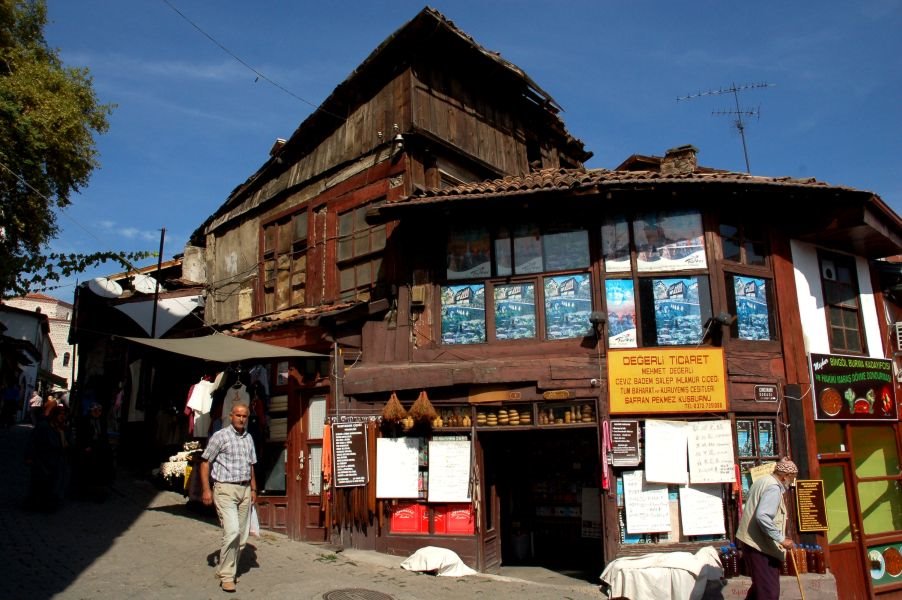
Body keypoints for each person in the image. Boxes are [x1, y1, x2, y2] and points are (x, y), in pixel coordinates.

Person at [199, 402, 257, 593]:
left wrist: (254, 489)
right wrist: (206, 490)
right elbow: (205, 462)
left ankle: (227, 568)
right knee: (231, 532)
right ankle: (226, 576)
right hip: (225, 489)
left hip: (245, 490)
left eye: (245, 416)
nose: (242, 419)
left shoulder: (249, 438)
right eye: (238, 415)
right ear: (231, 416)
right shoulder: (220, 436)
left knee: (241, 537)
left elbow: (251, 465)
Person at [736, 457, 799, 600]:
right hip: (759, 546)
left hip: (751, 542)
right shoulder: (773, 488)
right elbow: (763, 516)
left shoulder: (762, 481)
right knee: (768, 592)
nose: (792, 482)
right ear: (784, 476)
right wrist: (782, 539)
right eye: (792, 478)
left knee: (760, 589)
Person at [24, 404, 73, 512]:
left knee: (55, 483)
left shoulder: (63, 428)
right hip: (43, 459)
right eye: (61, 414)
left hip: (57, 460)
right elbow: (33, 441)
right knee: (40, 482)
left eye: (64, 415)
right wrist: (29, 456)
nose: (63, 417)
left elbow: (67, 444)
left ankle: (50, 504)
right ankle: (36, 504)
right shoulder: (44, 426)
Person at [75, 402, 114, 500]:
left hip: (99, 448)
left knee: (100, 471)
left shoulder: (101, 421)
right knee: (87, 470)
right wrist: (85, 446)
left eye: (99, 411)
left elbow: (104, 434)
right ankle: (84, 491)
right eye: (95, 411)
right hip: (88, 447)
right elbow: (81, 435)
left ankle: (99, 491)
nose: (98, 413)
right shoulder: (85, 420)